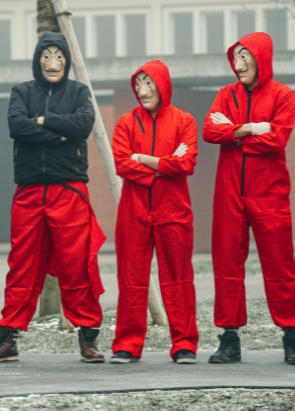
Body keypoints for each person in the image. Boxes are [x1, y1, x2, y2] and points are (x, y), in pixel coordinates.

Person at [0, 32, 107, 364]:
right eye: (46, 56)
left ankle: (88, 339)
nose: (53, 62)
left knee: (79, 265)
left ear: (67, 60)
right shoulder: (22, 91)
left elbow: (83, 123)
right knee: (21, 266)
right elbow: (17, 126)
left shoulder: (79, 92)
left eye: (59, 56)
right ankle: (7, 340)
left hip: (70, 191)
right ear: (37, 60)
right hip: (30, 191)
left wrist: (44, 121)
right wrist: (61, 133)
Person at [202, 32, 295, 365]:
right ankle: (229, 339)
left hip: (270, 191)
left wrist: (233, 131)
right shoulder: (225, 94)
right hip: (229, 189)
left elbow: (278, 138)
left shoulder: (282, 95)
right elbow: (208, 131)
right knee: (226, 263)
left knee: (280, 264)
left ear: (261, 57)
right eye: (235, 57)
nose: (239, 63)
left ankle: (292, 338)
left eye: (245, 56)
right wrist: (251, 128)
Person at [109, 60, 199, 364]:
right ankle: (127, 344)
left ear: (163, 85)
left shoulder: (184, 120)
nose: (142, 90)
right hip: (133, 210)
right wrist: (164, 166)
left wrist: (146, 160)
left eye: (149, 83)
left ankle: (184, 344)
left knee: (178, 277)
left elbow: (186, 164)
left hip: (173, 209)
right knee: (131, 277)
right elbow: (121, 163)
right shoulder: (126, 122)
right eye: (138, 83)